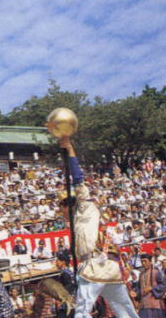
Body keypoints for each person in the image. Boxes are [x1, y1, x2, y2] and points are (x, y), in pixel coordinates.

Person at [56, 136, 139, 318]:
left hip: (94, 265)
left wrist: (70, 151)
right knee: (123, 309)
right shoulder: (76, 221)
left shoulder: (85, 209)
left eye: (62, 205)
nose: (60, 210)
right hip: (102, 266)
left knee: (82, 311)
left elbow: (78, 180)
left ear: (68, 205)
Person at [137, 254, 166, 318]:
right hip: (143, 304)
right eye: (142, 261)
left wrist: (152, 288)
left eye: (145, 261)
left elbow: (163, 286)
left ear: (150, 262)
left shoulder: (156, 272)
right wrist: (135, 293)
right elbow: (139, 287)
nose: (143, 263)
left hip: (154, 304)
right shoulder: (141, 274)